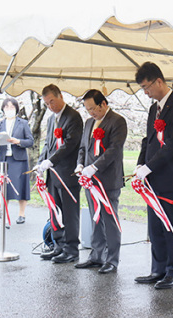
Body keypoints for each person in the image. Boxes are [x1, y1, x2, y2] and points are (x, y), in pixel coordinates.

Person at [133, 62, 173, 289]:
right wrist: (141, 164)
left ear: (159, 81)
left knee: (170, 224)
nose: (145, 92)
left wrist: (150, 166)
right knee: (154, 225)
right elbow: (148, 141)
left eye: (147, 87)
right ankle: (158, 269)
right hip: (151, 177)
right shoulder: (153, 109)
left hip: (171, 176)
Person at [74, 89, 127, 274]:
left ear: (103, 104)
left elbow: (114, 149)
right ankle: (97, 255)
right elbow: (83, 147)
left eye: (93, 108)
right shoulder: (89, 123)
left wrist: (95, 167)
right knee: (95, 217)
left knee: (109, 220)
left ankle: (112, 259)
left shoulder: (117, 121)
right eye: (87, 109)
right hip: (89, 180)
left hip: (107, 179)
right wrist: (80, 165)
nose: (91, 113)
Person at [35, 84, 83, 263]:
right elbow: (48, 144)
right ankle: (58, 245)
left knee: (69, 213)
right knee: (55, 211)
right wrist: (41, 163)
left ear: (60, 96)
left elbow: (70, 144)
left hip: (67, 173)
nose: (50, 106)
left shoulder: (73, 117)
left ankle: (71, 249)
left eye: (52, 102)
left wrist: (51, 161)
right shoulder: (50, 120)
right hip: (52, 174)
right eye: (47, 104)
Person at [0, 98, 34, 224]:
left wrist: (18, 141)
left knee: (21, 186)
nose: (9, 110)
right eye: (6, 107)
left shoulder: (22, 123)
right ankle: (3, 212)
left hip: (18, 159)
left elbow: (30, 141)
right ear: (2, 109)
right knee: (4, 186)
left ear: (16, 109)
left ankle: (21, 214)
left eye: (12, 107)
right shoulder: (0, 123)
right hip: (3, 158)